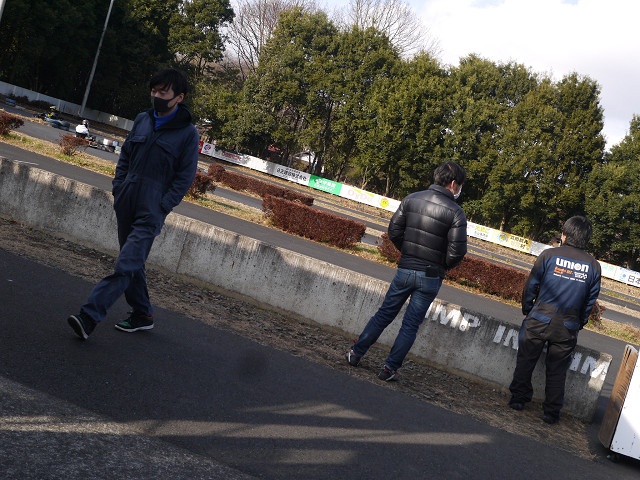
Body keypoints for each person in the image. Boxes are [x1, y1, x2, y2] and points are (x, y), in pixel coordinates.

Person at [67, 68, 200, 339]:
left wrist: (163, 205)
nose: (157, 96)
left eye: (163, 92)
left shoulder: (188, 134)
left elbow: (185, 176)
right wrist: (119, 186)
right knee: (133, 262)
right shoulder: (143, 119)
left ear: (179, 97)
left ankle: (89, 316)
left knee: (126, 264)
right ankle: (142, 314)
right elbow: (126, 155)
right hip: (126, 200)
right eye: (154, 90)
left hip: (152, 209)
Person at [346, 161, 467, 381]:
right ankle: (389, 369)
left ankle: (356, 353)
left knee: (384, 314)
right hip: (431, 276)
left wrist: (408, 252)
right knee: (410, 325)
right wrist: (441, 266)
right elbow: (457, 252)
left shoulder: (412, 199)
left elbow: (394, 231)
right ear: (452, 184)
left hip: (406, 267)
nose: (459, 189)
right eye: (459, 185)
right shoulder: (457, 213)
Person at [508, 216, 601, 424]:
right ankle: (551, 412)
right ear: (586, 239)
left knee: (526, 360)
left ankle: (518, 399)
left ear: (564, 235)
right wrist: (579, 323)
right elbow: (590, 302)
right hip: (568, 325)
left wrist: (528, 309)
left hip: (539, 317)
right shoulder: (593, 266)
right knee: (558, 370)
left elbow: (531, 286)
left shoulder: (549, 255)